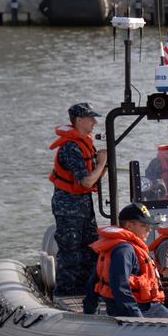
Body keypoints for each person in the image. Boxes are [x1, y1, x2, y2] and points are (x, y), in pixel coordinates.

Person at [49, 102, 108, 295]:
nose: (94, 122)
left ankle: (87, 291)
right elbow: (85, 182)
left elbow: (92, 179)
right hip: (68, 207)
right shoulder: (70, 148)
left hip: (83, 206)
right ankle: (65, 294)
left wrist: (103, 167)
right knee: (71, 253)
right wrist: (101, 164)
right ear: (79, 120)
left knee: (90, 250)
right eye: (91, 118)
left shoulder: (85, 144)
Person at [82, 203, 168, 319]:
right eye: (144, 225)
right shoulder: (124, 250)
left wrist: (89, 311)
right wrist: (136, 318)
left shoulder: (117, 246)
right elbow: (120, 288)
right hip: (139, 309)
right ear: (129, 226)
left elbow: (94, 281)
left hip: (134, 307)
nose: (149, 229)